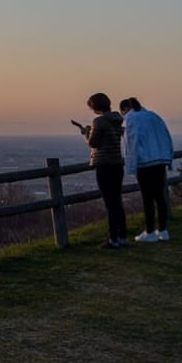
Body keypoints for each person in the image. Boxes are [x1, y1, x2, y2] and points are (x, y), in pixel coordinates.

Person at [120, 97, 174, 242]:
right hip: (160, 160)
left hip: (144, 162)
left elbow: (132, 142)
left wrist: (131, 165)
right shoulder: (153, 116)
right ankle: (163, 230)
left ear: (124, 109)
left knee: (147, 198)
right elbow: (166, 136)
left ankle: (149, 231)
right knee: (159, 196)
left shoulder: (131, 119)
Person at [81, 93, 127, 249]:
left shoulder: (99, 121)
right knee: (117, 200)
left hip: (104, 165)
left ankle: (113, 238)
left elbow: (93, 143)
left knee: (109, 202)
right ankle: (122, 236)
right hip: (117, 164)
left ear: (95, 106)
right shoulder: (117, 119)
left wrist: (85, 133)